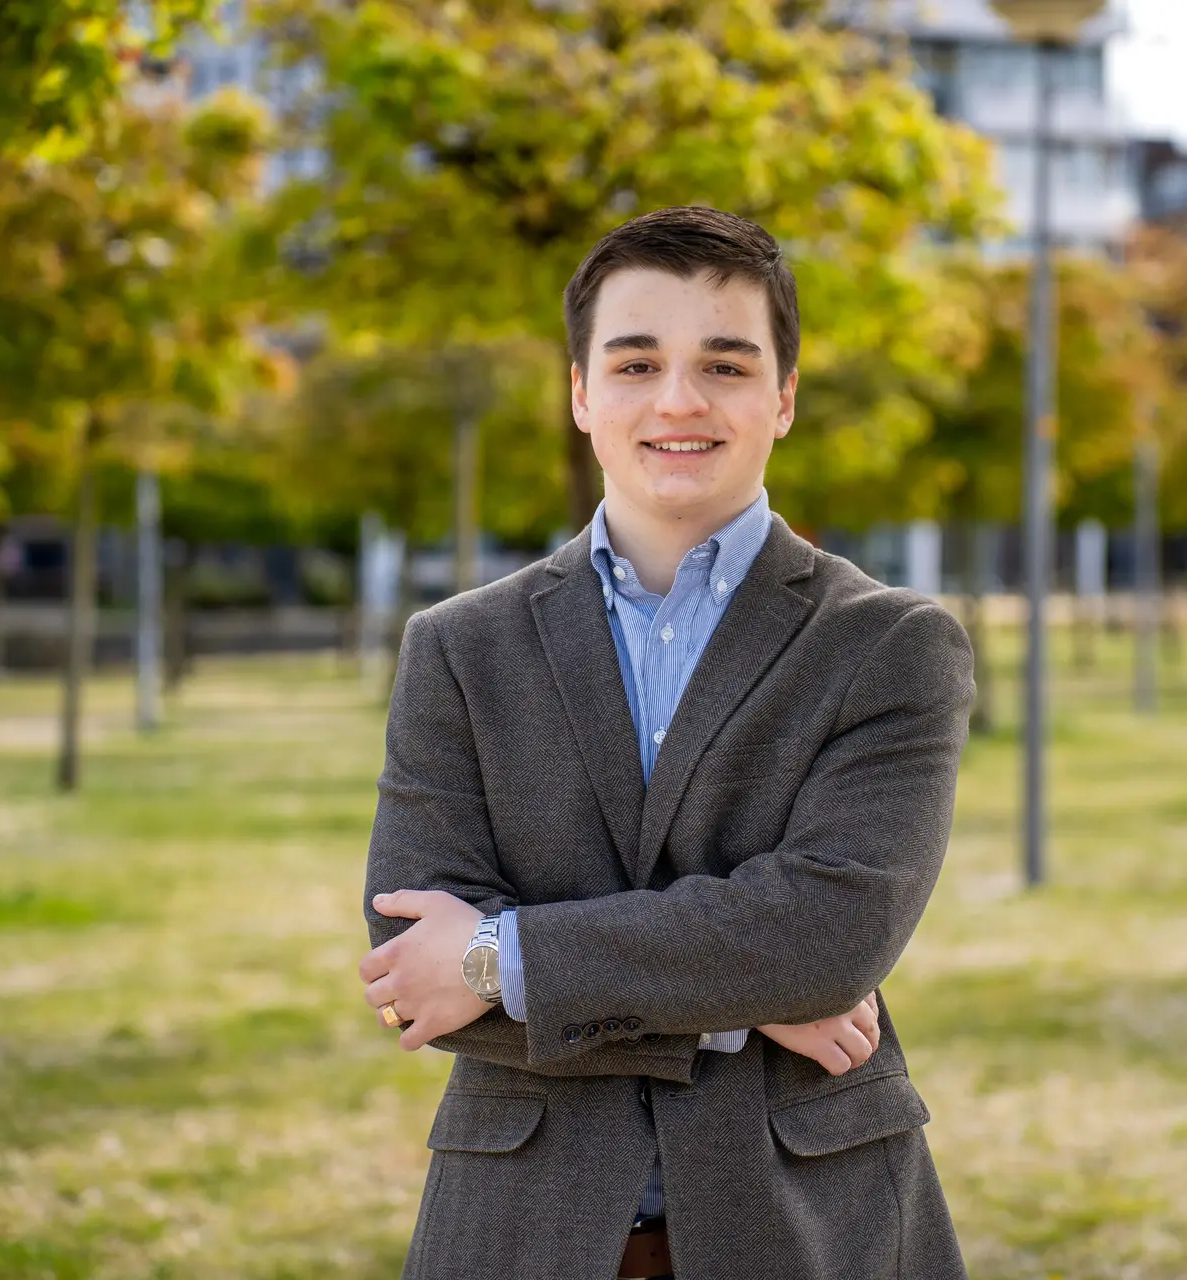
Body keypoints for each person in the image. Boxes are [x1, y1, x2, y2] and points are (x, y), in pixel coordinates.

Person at [357, 205, 974, 1280]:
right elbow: (416, 975)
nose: (679, 400)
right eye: (636, 361)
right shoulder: (458, 648)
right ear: (582, 394)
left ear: (782, 399)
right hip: (520, 1228)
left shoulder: (893, 645)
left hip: (807, 1225)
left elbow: (830, 937)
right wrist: (746, 1003)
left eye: (726, 365)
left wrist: (503, 955)